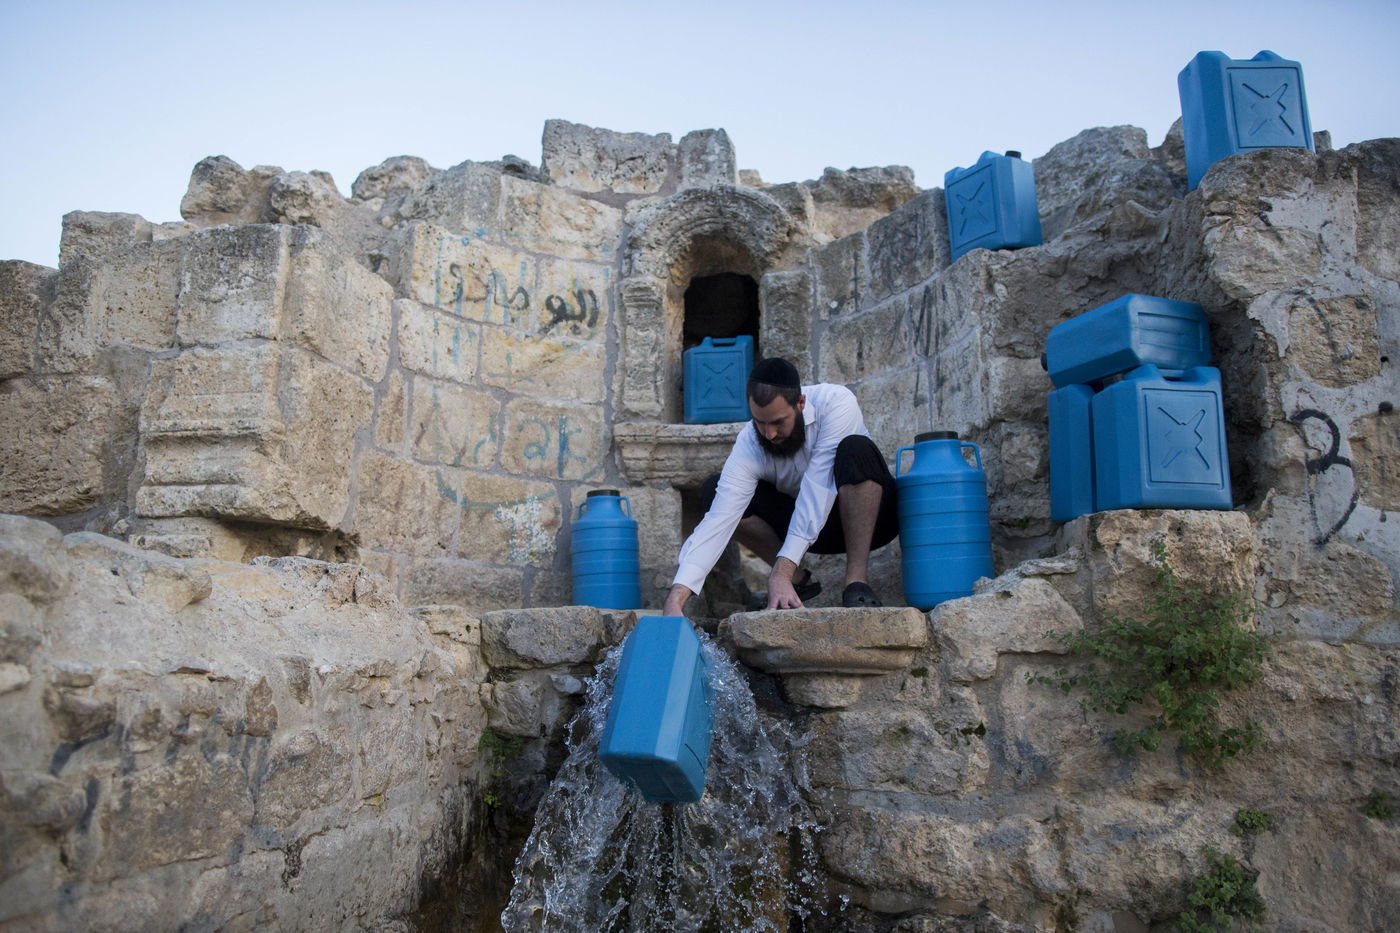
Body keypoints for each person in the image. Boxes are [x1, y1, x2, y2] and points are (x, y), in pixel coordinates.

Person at [662, 357, 900, 615]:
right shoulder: (750, 442)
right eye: (760, 422)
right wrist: (677, 595)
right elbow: (720, 518)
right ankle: (797, 580)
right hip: (811, 536)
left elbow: (817, 491)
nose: (769, 434)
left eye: (778, 422)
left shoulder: (836, 402)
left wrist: (779, 573)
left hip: (873, 521)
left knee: (856, 449)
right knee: (714, 489)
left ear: (801, 403)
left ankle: (857, 583)